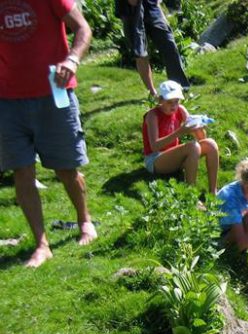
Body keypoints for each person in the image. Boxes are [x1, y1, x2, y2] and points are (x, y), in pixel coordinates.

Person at [0, 0, 98, 268]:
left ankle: (84, 220)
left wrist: (73, 59)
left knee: (66, 169)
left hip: (55, 93)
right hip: (7, 100)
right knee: (22, 171)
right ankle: (41, 245)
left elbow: (82, 28)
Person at [142, 80, 219, 194]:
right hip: (155, 160)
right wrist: (180, 131)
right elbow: (154, 146)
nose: (174, 106)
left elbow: (201, 139)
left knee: (211, 144)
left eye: (176, 101)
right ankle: (190, 195)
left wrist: (199, 126)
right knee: (193, 147)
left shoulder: (180, 109)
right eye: (169, 102)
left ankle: (213, 192)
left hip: (175, 157)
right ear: (160, 100)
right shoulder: (153, 115)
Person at [115, 0, 190, 97]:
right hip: (130, 9)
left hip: (151, 6)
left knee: (168, 42)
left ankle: (180, 87)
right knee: (140, 52)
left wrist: (158, 7)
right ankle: (152, 93)